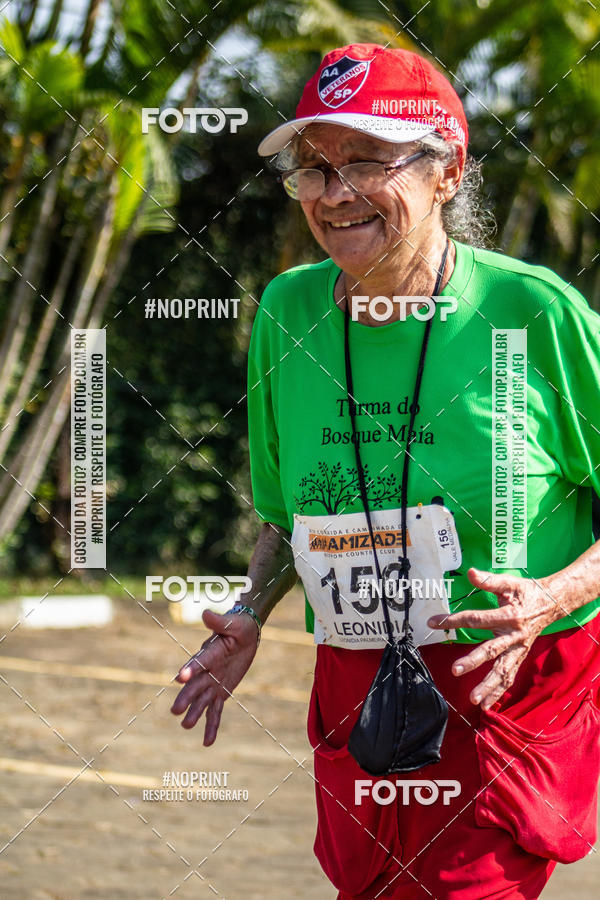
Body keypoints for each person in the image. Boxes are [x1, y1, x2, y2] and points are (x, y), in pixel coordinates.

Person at [171, 44, 600, 899]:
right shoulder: (288, 311)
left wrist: (553, 595)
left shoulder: (534, 313)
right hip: (360, 681)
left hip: (506, 675)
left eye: (366, 161)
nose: (335, 195)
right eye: (315, 169)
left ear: (447, 170)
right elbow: (287, 521)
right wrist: (251, 611)